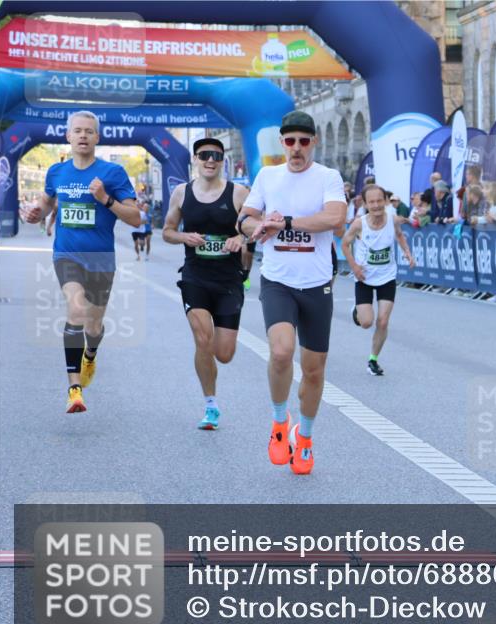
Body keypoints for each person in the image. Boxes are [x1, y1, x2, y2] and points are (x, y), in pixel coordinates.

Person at [238, 111, 347, 475]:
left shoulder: (328, 177)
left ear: (314, 142)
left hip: (317, 284)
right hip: (278, 280)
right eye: (290, 141)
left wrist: (284, 223)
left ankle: (306, 439)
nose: (297, 148)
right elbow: (244, 217)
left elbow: (334, 219)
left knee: (314, 372)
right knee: (282, 352)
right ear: (282, 144)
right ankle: (280, 425)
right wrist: (258, 226)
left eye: (304, 141)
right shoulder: (268, 176)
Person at [22, 110, 140, 413]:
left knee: (94, 325)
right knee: (75, 308)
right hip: (67, 254)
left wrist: (106, 200)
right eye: (78, 131)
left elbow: (136, 217)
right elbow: (48, 202)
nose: (83, 136)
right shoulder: (57, 172)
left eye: (89, 131)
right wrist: (38, 212)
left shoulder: (112, 173)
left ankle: (90, 355)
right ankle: (74, 388)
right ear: (69, 136)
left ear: (97, 138)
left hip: (101, 259)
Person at [162, 137, 250, 430]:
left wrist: (241, 238)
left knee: (224, 354)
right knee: (202, 339)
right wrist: (184, 237)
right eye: (203, 155)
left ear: (222, 159)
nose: (209, 160)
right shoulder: (180, 193)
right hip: (195, 276)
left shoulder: (238, 193)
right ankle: (210, 405)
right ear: (195, 160)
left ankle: (212, 374)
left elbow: (254, 230)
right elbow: (167, 231)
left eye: (215, 155)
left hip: (228, 280)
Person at [342, 184, 415, 376]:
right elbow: (345, 243)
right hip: (364, 277)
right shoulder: (359, 224)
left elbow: (399, 236)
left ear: (385, 201)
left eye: (379, 201)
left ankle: (373, 359)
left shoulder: (393, 220)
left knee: (382, 322)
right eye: (371, 202)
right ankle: (357, 311)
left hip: (387, 276)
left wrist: (407, 252)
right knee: (367, 322)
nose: (376, 205)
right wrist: (354, 267)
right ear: (365, 204)